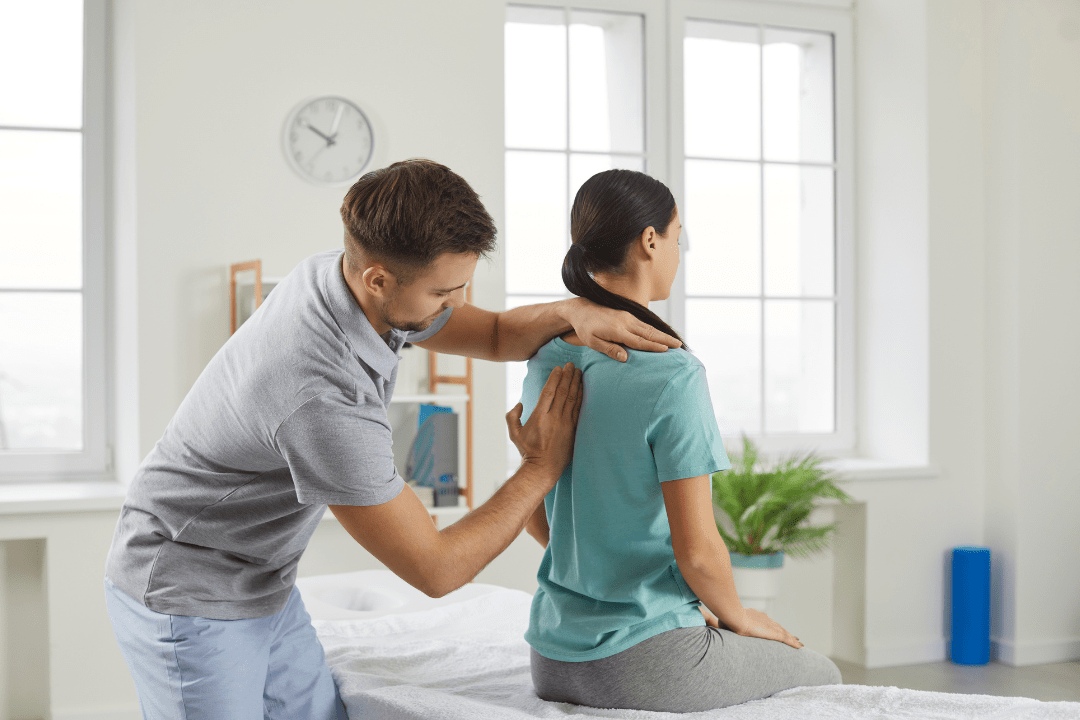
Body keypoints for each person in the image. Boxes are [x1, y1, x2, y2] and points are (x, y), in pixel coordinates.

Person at [104, 159, 685, 720]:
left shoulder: (341, 276)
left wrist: (574, 312)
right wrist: (540, 466)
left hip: (263, 580)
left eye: (462, 285)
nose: (456, 304)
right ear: (378, 279)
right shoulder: (320, 396)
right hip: (189, 586)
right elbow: (437, 570)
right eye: (442, 293)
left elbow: (494, 334)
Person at [516, 169, 842, 713]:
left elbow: (534, 513)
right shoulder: (672, 373)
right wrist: (740, 617)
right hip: (646, 665)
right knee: (824, 674)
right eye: (677, 237)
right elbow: (697, 551)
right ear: (650, 240)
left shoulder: (545, 358)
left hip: (551, 659)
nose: (678, 253)